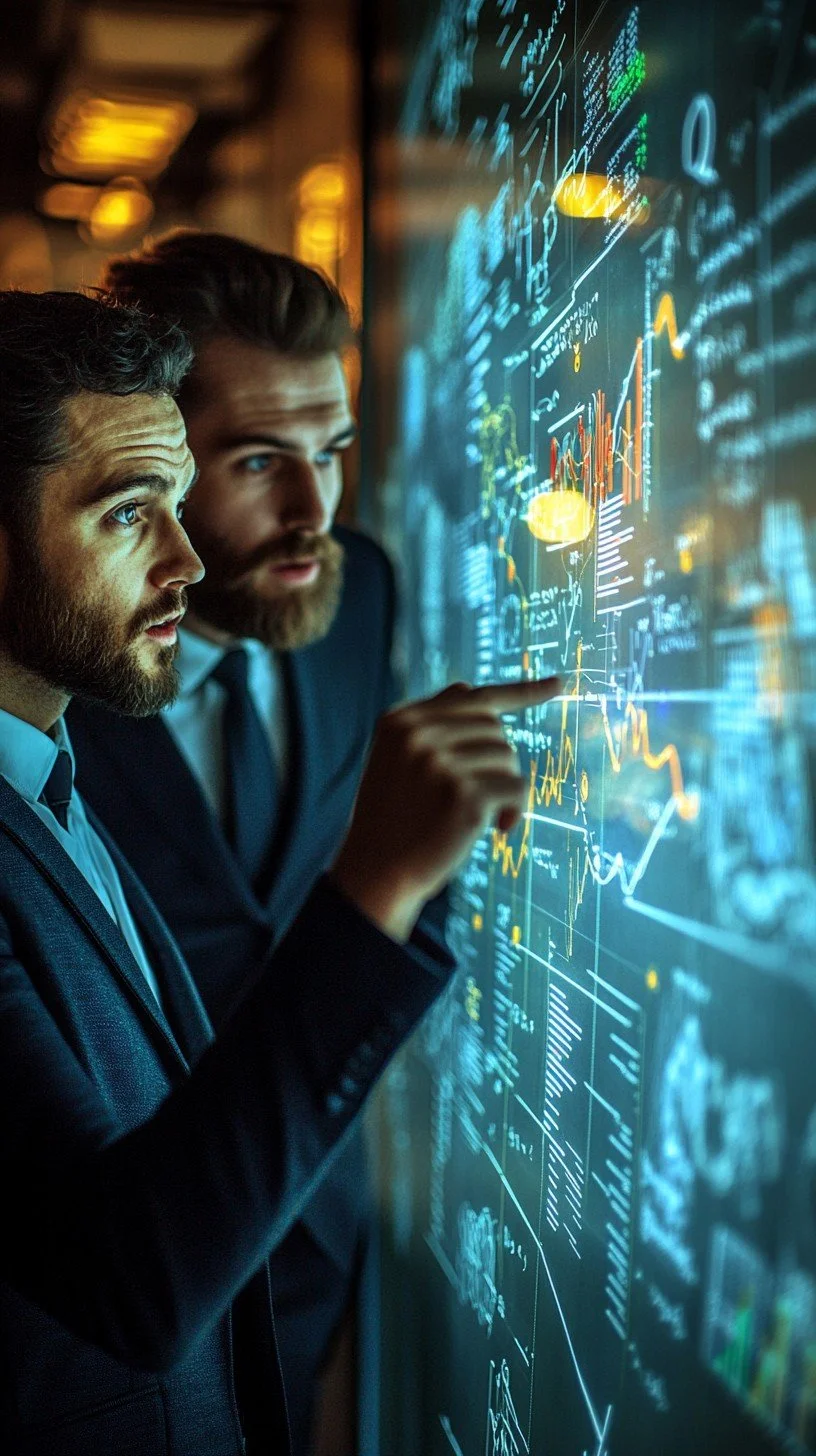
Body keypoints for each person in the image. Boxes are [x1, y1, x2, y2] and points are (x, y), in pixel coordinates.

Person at [0, 287, 558, 1456]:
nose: (187, 561)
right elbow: (125, 1277)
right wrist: (370, 892)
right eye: (125, 513)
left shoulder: (44, 766)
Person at [66, 231, 423, 1450]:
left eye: (331, 451)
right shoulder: (50, 671)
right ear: (154, 460)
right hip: (92, 1304)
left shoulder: (357, 592)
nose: (313, 510)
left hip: (318, 1243)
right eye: (261, 459)